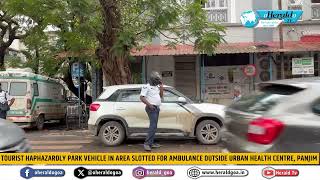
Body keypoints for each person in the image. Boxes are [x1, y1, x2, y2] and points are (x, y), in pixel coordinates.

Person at [140, 71, 164, 151]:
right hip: (151, 108)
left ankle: (151, 143)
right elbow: (142, 97)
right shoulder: (146, 87)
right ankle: (147, 144)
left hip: (156, 108)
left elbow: (160, 96)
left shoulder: (157, 87)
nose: (159, 81)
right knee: (153, 126)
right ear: (153, 80)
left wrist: (161, 88)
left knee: (154, 126)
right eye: (157, 80)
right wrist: (150, 105)